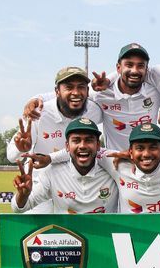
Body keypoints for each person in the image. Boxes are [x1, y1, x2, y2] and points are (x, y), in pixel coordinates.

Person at [22, 43, 160, 151]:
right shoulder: (101, 92)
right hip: (115, 163)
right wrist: (37, 98)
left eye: (140, 66)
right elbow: (71, 94)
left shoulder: (155, 90)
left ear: (146, 69)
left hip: (148, 160)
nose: (134, 70)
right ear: (118, 68)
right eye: (129, 65)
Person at [7, 67, 103, 213]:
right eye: (69, 87)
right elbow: (11, 156)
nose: (76, 92)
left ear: (87, 91)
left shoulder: (94, 111)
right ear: (57, 91)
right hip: (40, 185)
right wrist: (21, 149)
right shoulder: (39, 113)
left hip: (75, 187)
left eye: (81, 87)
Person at [12, 117, 118, 214]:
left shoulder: (114, 170)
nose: (82, 146)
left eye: (89, 140)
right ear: (67, 146)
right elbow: (19, 208)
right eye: (76, 140)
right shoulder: (53, 172)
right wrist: (23, 195)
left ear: (98, 145)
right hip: (65, 230)